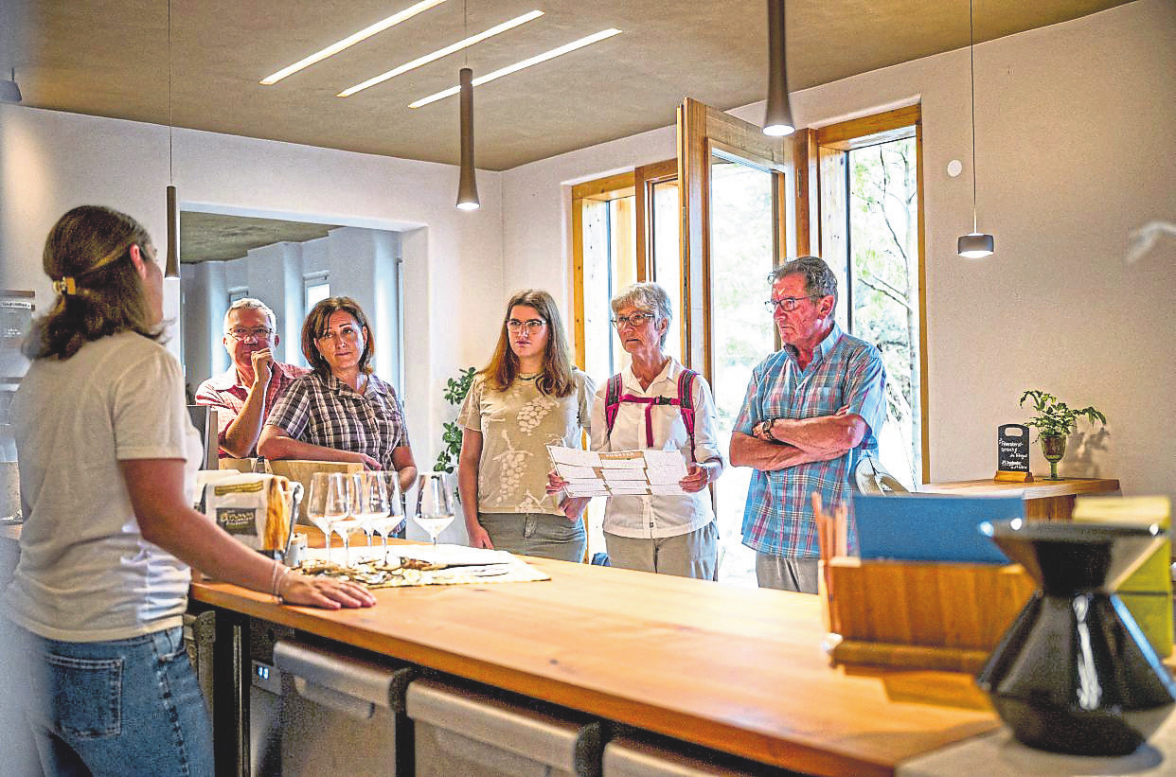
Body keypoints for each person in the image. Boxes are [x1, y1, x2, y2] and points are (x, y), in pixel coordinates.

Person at [1, 206, 375, 776]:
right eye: (155, 260)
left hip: (33, 637)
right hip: (118, 637)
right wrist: (283, 581)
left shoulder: (46, 371)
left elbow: (46, 510)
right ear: (137, 262)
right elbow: (163, 517)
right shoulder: (139, 362)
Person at [729, 256, 887, 594]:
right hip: (771, 536)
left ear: (824, 305)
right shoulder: (767, 370)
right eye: (774, 304)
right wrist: (815, 448)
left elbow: (846, 433)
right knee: (778, 631)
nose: (778, 314)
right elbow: (739, 451)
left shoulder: (861, 359)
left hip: (835, 541)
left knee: (833, 628)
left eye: (789, 302)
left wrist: (772, 429)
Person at [550, 283, 724, 579]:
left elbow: (713, 456)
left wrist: (706, 473)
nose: (627, 327)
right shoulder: (608, 392)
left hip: (685, 526)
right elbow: (601, 462)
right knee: (632, 609)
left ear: (662, 324)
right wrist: (572, 478)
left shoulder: (691, 386)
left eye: (638, 317)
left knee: (687, 608)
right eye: (621, 319)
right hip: (625, 529)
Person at [457, 289, 595, 561]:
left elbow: (604, 448)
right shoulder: (483, 385)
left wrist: (585, 494)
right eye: (515, 323)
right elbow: (468, 460)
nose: (522, 332)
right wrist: (472, 527)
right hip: (496, 525)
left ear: (550, 330)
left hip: (559, 526)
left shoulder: (577, 383)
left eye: (533, 324)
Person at [259, 296, 417, 493]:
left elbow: (407, 466)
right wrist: (346, 459)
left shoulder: (386, 392)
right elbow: (268, 445)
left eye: (347, 331)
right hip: (331, 509)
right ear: (318, 345)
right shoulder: (307, 388)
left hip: (384, 511)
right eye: (328, 335)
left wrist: (388, 492)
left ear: (364, 335)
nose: (340, 342)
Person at [195, 298, 309, 458]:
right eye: (239, 331)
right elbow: (238, 447)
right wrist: (260, 383)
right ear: (225, 342)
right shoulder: (212, 391)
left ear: (275, 341)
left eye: (260, 331)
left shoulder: (304, 380)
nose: (250, 340)